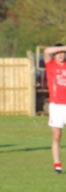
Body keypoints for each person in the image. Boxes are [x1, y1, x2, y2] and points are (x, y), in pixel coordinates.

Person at [43, 43, 66, 175]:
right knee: (56, 136)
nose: (61, 55)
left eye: (63, 53)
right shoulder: (50, 65)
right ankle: (57, 166)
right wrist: (63, 48)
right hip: (56, 106)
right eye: (58, 53)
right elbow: (46, 51)